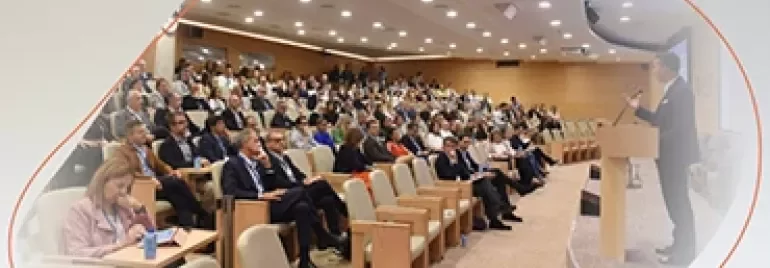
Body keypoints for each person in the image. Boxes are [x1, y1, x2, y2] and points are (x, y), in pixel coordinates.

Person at [221, 129, 348, 268]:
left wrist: (268, 167)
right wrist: (260, 196)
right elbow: (230, 192)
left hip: (271, 202)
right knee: (301, 192)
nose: (259, 144)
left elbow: (270, 184)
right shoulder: (232, 164)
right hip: (255, 208)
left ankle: (304, 261)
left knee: (303, 208)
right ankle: (322, 234)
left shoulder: (258, 162)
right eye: (255, 141)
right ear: (244, 144)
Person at [626, 52, 699, 265]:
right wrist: (638, 110)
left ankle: (685, 253)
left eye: (656, 66)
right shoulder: (671, 91)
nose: (654, 71)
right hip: (667, 156)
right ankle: (679, 244)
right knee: (673, 204)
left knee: (679, 204)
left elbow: (680, 129)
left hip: (676, 156)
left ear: (667, 68)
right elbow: (659, 120)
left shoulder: (682, 92)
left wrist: (653, 139)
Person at [112, 120, 211, 228]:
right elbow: (127, 173)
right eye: (140, 132)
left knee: (179, 198)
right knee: (176, 183)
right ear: (130, 136)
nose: (145, 135)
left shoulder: (146, 149)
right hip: (142, 187)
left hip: (158, 185)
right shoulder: (121, 152)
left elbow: (161, 165)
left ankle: (189, 228)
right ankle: (200, 212)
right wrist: (148, 180)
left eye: (145, 132)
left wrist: (172, 171)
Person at [60, 159, 156, 258]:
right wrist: (122, 244)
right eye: (119, 186)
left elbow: (152, 233)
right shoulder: (80, 211)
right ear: (102, 182)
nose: (123, 192)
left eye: (127, 187)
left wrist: (139, 208)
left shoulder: (123, 207)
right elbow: (76, 253)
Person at [264, 130, 348, 235]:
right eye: (277, 141)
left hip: (300, 188)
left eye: (283, 140)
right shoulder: (267, 160)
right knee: (321, 184)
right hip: (289, 195)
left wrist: (306, 179)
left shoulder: (285, 157)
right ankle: (345, 211)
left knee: (328, 199)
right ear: (268, 143)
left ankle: (335, 234)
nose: (281, 143)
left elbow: (298, 174)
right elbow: (278, 183)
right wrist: (303, 183)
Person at [433, 137, 512, 231]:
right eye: (448, 146)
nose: (451, 149)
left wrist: (476, 175)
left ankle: (496, 215)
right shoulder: (440, 159)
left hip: (466, 183)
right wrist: (454, 163)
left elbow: (465, 171)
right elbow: (448, 176)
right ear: (443, 147)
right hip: (453, 188)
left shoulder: (458, 156)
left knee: (486, 183)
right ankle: (499, 207)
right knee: (485, 186)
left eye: (453, 147)